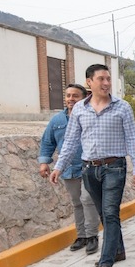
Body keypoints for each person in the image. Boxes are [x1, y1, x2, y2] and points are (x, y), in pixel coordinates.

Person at [50, 64, 135, 267]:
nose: (106, 83)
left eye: (108, 79)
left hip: (114, 168)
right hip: (89, 169)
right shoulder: (80, 110)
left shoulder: (122, 107)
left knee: (110, 213)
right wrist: (59, 167)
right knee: (104, 213)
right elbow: (71, 141)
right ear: (89, 82)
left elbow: (132, 139)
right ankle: (118, 250)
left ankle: (105, 263)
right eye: (101, 79)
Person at [38, 83, 100, 254]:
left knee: (88, 200)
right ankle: (82, 236)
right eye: (68, 96)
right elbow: (47, 142)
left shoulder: (91, 116)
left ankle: (92, 235)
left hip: (89, 167)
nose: (71, 99)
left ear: (84, 97)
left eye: (75, 96)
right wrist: (44, 162)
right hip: (68, 169)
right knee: (77, 203)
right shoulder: (57, 121)